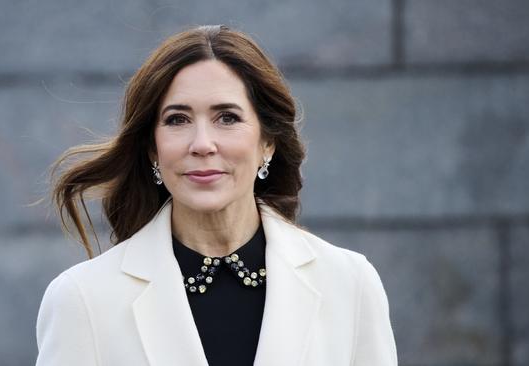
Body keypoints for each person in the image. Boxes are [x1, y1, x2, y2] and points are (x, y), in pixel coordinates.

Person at [35, 24, 397, 366]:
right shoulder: (81, 299)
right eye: (178, 119)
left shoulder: (350, 285)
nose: (202, 144)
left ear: (267, 142)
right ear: (152, 150)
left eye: (227, 117)